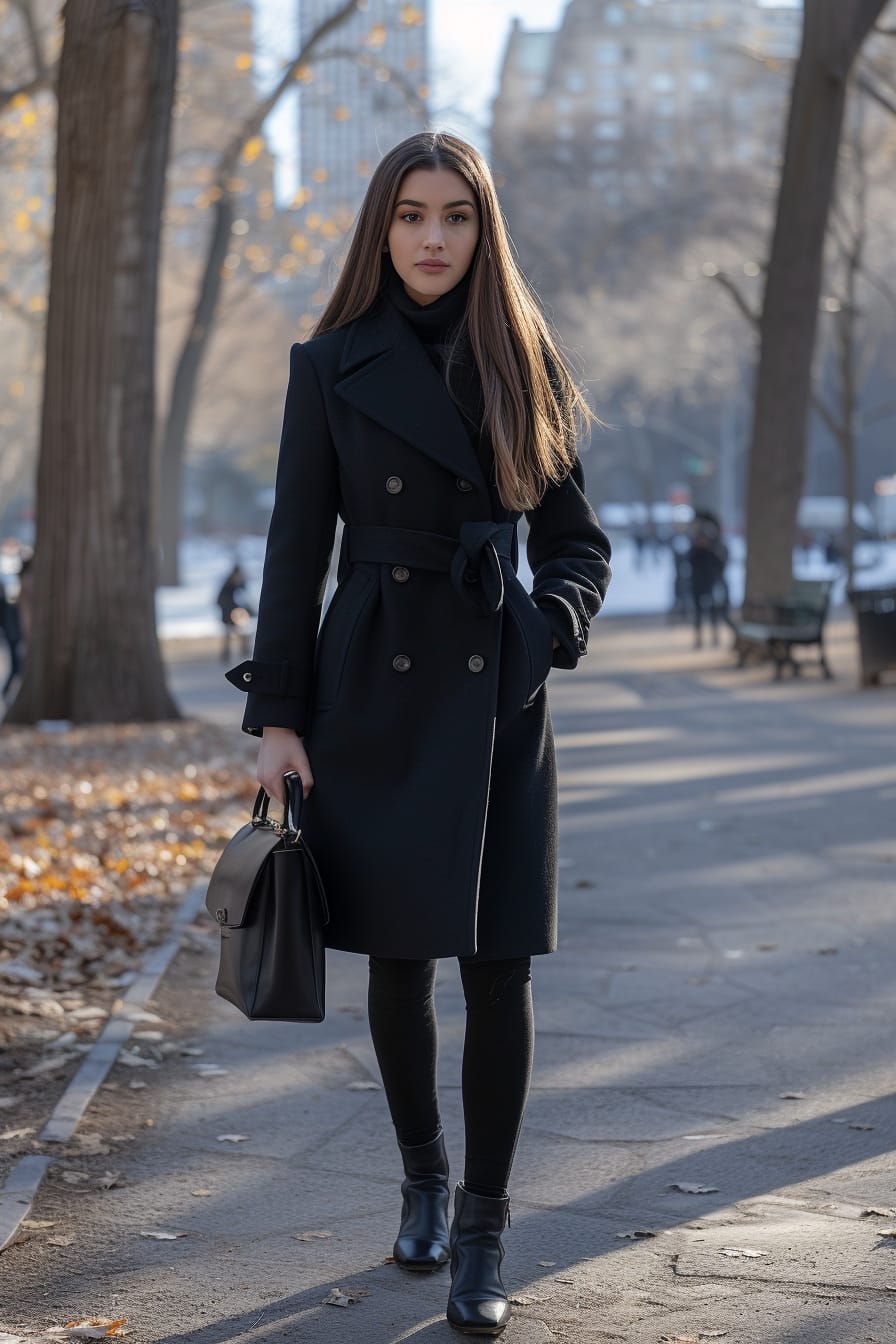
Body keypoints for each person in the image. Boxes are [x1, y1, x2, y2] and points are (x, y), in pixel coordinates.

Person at [225, 132, 611, 1337]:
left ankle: (485, 1228)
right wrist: (277, 717)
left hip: (497, 687)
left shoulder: (521, 357)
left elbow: (577, 543)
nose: (432, 237)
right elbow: (294, 553)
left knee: (498, 969)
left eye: (453, 215)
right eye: (409, 215)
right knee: (399, 961)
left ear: (481, 229)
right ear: (379, 230)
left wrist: (547, 629)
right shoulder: (329, 363)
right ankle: (423, 1181)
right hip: (374, 689)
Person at [215, 563, 254, 663]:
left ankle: (244, 652)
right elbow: (220, 601)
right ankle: (225, 656)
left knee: (243, 633)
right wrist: (232, 609)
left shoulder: (238, 585)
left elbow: (244, 598)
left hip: (238, 616)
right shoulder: (227, 586)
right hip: (228, 616)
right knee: (228, 636)